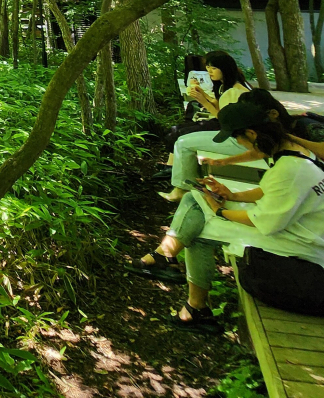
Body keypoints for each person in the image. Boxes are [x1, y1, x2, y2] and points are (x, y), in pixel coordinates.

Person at [130, 100, 324, 330]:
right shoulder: (293, 152)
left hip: (300, 245)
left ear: (251, 133)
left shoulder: (290, 168)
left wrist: (220, 210)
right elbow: (274, 193)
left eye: (238, 138)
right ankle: (168, 261)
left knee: (199, 232)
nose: (239, 144)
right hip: (294, 226)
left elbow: (264, 222)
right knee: (195, 197)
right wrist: (233, 195)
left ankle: (194, 306)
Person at [159, 50, 251, 202]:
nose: (209, 71)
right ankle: (185, 186)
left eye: (214, 68)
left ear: (225, 69)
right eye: (208, 67)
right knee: (181, 138)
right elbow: (220, 105)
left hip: (238, 139)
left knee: (182, 142)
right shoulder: (225, 87)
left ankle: (182, 189)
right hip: (234, 135)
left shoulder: (235, 92)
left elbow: (223, 120)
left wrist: (202, 100)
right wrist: (201, 93)